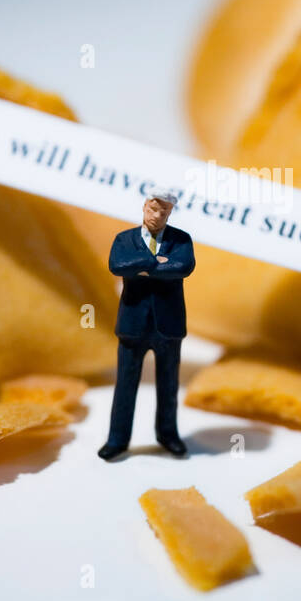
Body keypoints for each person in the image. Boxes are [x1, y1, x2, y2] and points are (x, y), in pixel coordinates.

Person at [99, 188, 195, 460]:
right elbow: (118, 265)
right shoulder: (124, 239)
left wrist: (142, 268)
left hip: (169, 324)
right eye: (154, 209)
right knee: (125, 385)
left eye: (164, 211)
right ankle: (117, 440)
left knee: (169, 385)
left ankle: (168, 434)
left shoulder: (181, 239)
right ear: (144, 207)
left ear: (170, 213)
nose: (157, 215)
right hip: (133, 324)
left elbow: (183, 267)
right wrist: (155, 262)